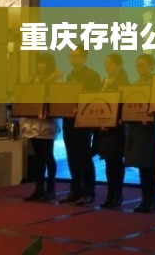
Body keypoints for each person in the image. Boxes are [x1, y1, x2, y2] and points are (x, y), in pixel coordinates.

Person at [59, 45, 101, 206]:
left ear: (84, 57)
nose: (72, 59)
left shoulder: (93, 76)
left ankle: (89, 191)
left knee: (84, 156)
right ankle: (75, 189)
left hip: (84, 121)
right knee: (71, 155)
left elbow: (95, 99)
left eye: (75, 56)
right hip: (69, 120)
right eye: (70, 56)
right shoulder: (70, 76)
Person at [21, 53, 62, 202]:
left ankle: (51, 189)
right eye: (39, 62)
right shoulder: (33, 79)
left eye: (44, 63)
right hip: (33, 121)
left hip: (47, 122)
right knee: (38, 157)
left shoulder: (56, 80)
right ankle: (39, 188)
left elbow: (58, 99)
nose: (41, 65)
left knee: (47, 155)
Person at [124, 54, 155, 213]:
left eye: (143, 65)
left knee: (149, 164)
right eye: (137, 65)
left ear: (152, 66)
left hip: (149, 128)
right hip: (136, 129)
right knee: (141, 164)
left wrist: (154, 116)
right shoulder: (135, 84)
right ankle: (145, 198)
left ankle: (151, 199)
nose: (139, 68)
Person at [93, 53, 129, 209]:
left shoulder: (124, 83)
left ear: (119, 65)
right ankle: (110, 194)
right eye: (105, 64)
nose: (107, 67)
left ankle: (118, 195)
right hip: (103, 128)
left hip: (117, 129)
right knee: (108, 162)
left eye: (110, 64)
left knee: (116, 162)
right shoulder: (103, 82)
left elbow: (125, 106)